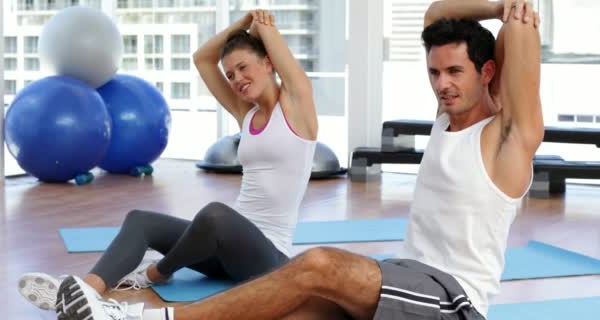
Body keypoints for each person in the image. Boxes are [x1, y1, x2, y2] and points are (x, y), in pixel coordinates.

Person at [53, 1, 543, 319]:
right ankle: (96, 295)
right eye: (435, 73)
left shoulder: (507, 139)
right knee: (290, 307)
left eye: (455, 71)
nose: (442, 84)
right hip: (403, 275)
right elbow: (435, 14)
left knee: (319, 264)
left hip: (451, 300)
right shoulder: (444, 119)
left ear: (490, 73)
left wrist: (512, 10)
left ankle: (155, 315)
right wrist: (492, 6)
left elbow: (516, 35)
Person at [19, 9, 318, 319]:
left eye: (243, 67)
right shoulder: (247, 113)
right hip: (227, 249)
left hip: (267, 259)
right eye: (230, 74)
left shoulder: (297, 106)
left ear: (268, 63)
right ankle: (84, 292)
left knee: (215, 215)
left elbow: (280, 58)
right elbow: (203, 58)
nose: (236, 79)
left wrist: (262, 24)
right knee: (140, 220)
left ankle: (157, 272)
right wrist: (241, 25)